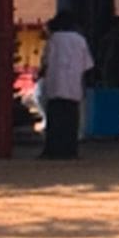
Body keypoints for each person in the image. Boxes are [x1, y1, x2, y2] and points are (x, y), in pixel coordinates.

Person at [38, 10, 94, 160]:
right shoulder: (80, 40)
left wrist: (41, 74)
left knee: (55, 120)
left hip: (54, 84)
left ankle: (53, 150)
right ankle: (69, 150)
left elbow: (45, 61)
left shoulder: (53, 39)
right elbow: (87, 65)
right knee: (70, 120)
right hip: (73, 85)